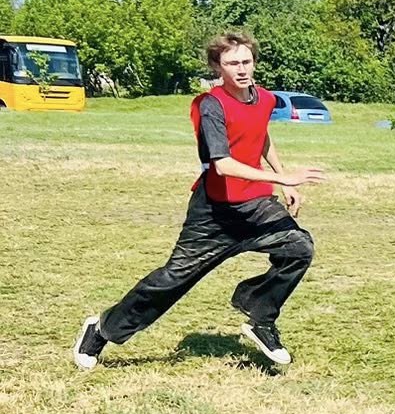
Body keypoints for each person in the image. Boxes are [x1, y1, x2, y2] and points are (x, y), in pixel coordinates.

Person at [72, 32, 323, 371]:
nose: (241, 69)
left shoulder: (263, 99)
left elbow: (260, 135)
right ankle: (101, 330)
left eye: (246, 61)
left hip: (255, 204)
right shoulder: (210, 106)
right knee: (172, 280)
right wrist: (285, 178)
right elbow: (223, 164)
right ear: (218, 67)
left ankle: (260, 313)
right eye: (232, 63)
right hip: (214, 213)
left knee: (299, 247)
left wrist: (282, 177)